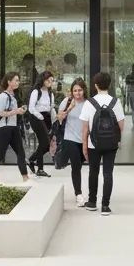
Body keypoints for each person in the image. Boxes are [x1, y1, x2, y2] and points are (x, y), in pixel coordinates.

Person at [81, 72, 125, 215]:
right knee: (108, 173)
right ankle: (105, 206)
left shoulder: (89, 103)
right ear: (109, 85)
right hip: (111, 144)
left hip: (93, 144)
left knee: (93, 172)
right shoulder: (115, 102)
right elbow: (121, 125)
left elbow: (85, 128)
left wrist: (84, 146)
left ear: (95, 86)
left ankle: (92, 202)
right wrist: (117, 139)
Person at [0, 73, 30, 183]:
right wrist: (16, 111)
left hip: (13, 127)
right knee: (1, 153)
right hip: (4, 128)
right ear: (9, 81)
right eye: (16, 80)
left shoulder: (13, 97)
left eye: (18, 80)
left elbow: (12, 112)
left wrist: (20, 110)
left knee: (20, 152)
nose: (18, 82)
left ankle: (25, 177)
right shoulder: (2, 96)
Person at [56, 77, 88, 206]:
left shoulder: (89, 103)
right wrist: (69, 108)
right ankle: (78, 194)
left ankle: (61, 160)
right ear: (71, 92)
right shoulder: (67, 101)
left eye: (80, 90)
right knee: (76, 166)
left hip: (84, 139)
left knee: (79, 164)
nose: (77, 93)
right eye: (75, 90)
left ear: (84, 91)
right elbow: (59, 118)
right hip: (70, 138)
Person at [27, 70, 56, 177]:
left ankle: (32, 161)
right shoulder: (36, 92)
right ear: (43, 80)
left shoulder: (50, 93)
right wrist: (40, 117)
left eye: (52, 80)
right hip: (36, 117)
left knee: (45, 144)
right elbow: (31, 108)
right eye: (48, 80)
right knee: (45, 142)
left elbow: (51, 108)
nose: (50, 82)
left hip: (46, 118)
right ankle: (39, 168)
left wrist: (55, 118)